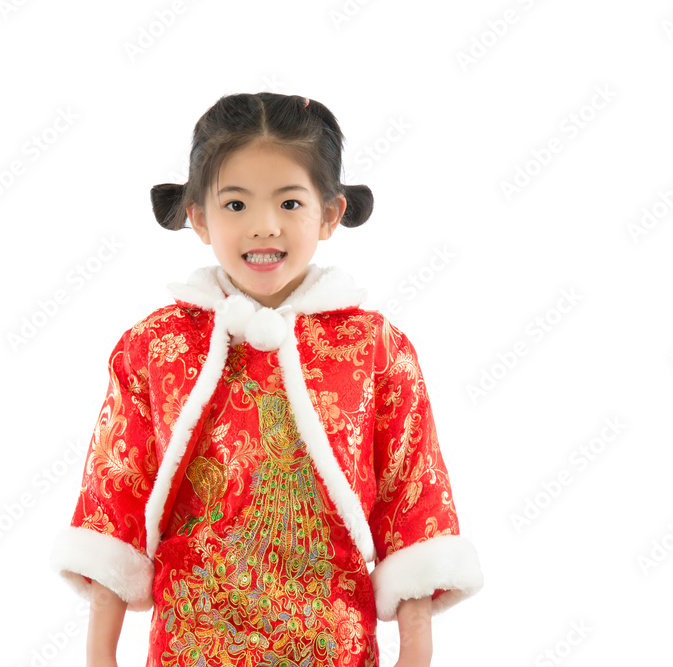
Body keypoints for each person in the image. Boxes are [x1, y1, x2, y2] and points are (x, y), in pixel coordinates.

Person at [48, 92, 484, 667]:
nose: (264, 226)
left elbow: (414, 498)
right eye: (235, 205)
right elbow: (115, 495)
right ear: (197, 217)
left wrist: (415, 653)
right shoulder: (156, 346)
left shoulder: (375, 349)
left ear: (329, 214)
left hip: (332, 644)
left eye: (290, 201)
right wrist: (101, 655)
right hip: (192, 643)